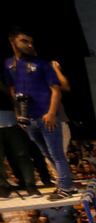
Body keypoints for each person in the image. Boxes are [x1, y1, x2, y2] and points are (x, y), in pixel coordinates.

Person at [4, 28, 76, 199]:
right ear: (12, 41)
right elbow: (12, 90)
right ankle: (64, 183)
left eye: (31, 42)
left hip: (46, 116)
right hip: (29, 119)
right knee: (47, 154)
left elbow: (57, 90)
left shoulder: (42, 64)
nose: (29, 45)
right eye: (24, 41)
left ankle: (66, 188)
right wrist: (19, 114)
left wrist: (51, 113)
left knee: (57, 153)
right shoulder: (8, 64)